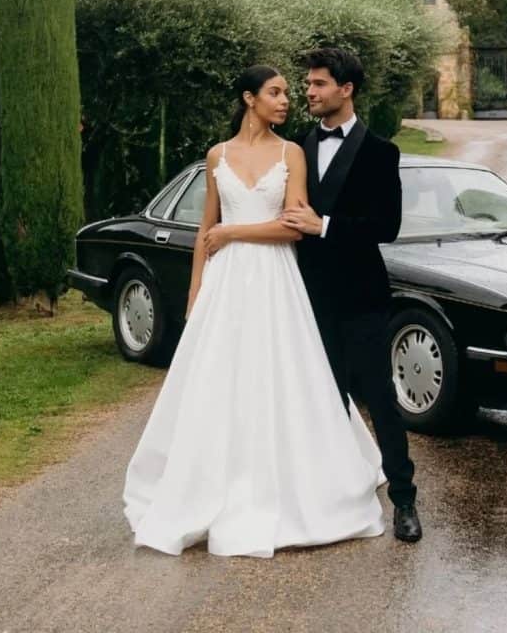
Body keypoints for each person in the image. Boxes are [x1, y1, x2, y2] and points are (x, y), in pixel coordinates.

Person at [123, 66, 384, 557]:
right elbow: (205, 231)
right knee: (217, 377)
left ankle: (292, 480)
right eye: (275, 92)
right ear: (249, 98)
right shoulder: (217, 155)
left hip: (274, 277)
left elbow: (293, 226)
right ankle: (207, 479)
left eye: (288, 92)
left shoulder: (291, 154)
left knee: (279, 372)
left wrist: (234, 232)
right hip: (224, 284)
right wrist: (195, 293)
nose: (286, 100)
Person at [281, 47, 422, 543]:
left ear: (347, 89)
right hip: (306, 298)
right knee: (318, 399)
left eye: (318, 84)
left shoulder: (382, 152)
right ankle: (327, 501)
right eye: (307, 84)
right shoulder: (296, 148)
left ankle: (404, 501)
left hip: (362, 297)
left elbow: (388, 226)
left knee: (381, 399)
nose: (309, 92)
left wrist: (325, 225)